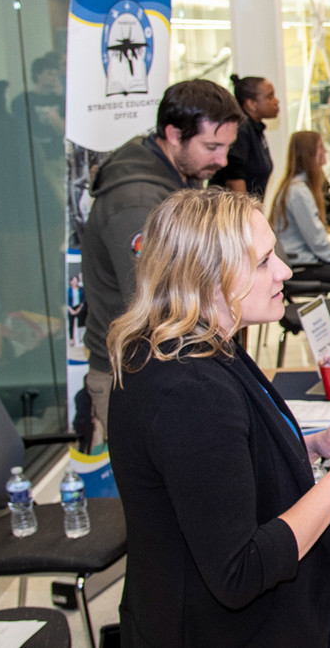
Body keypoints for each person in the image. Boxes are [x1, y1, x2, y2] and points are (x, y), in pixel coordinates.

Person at [107, 188, 330, 647]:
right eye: (264, 260)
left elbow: (213, 465)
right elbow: (240, 570)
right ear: (210, 278)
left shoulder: (195, 344)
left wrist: (309, 445)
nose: (284, 272)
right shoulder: (187, 390)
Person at [81, 79, 243, 448]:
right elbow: (152, 306)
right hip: (135, 376)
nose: (221, 161)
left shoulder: (175, 176)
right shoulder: (136, 203)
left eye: (227, 147)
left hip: (167, 366)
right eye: (212, 147)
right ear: (173, 134)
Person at [270, 131, 330, 292]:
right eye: (320, 147)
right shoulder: (298, 192)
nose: (325, 151)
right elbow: (317, 242)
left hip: (303, 261)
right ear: (309, 153)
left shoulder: (297, 187)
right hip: (301, 266)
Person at [209, 75, 279, 199]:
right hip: (231, 212)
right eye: (269, 96)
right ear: (251, 104)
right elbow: (234, 180)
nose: (276, 101)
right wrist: (246, 217)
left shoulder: (256, 130)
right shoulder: (241, 130)